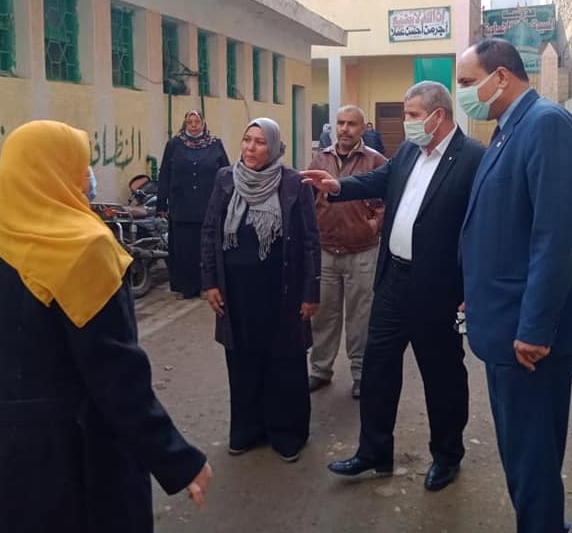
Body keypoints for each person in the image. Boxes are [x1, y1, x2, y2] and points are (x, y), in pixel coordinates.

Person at [0, 120, 212, 533]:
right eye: (82, 165)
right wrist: (177, 459)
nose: (88, 177)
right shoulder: (84, 249)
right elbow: (116, 377)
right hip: (53, 459)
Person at [302, 82, 485, 492]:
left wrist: (472, 287)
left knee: (442, 376)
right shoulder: (408, 152)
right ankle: (374, 452)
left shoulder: (473, 159)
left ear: (438, 116)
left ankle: (447, 456)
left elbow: (484, 228)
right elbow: (380, 179)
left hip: (438, 289)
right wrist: (337, 187)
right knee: (378, 368)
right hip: (392, 281)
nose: (406, 122)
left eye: (413, 115)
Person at [456, 38, 572, 533]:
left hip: (533, 337)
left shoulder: (546, 125)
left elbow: (557, 237)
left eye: (467, 82)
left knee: (532, 459)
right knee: (523, 453)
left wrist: (536, 329)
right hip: (506, 319)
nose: (463, 93)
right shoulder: (509, 128)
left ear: (501, 76)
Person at [201, 118, 321, 463]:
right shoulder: (226, 179)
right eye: (247, 140)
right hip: (236, 292)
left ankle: (287, 433)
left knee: (284, 361)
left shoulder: (293, 183)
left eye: (260, 142)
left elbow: (310, 241)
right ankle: (247, 430)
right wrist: (210, 282)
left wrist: (310, 292)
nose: (251, 148)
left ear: (274, 147)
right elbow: (210, 231)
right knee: (242, 361)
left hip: (282, 290)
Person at [308, 105, 386, 399]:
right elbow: (308, 199)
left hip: (362, 251)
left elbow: (391, 198)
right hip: (326, 250)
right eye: (340, 123)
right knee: (323, 315)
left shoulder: (375, 160)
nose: (344, 129)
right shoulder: (321, 159)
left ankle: (361, 372)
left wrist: (376, 223)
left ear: (363, 128)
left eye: (351, 124)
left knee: (360, 317)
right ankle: (320, 369)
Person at [157, 110, 229, 299]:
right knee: (183, 250)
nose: (194, 125)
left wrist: (227, 200)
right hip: (182, 207)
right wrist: (161, 204)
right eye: (190, 122)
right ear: (185, 124)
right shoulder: (174, 144)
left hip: (208, 205)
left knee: (206, 248)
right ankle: (186, 288)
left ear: (203, 123)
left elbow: (226, 174)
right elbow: (165, 173)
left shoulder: (215, 144)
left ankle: (208, 286)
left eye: (197, 121)